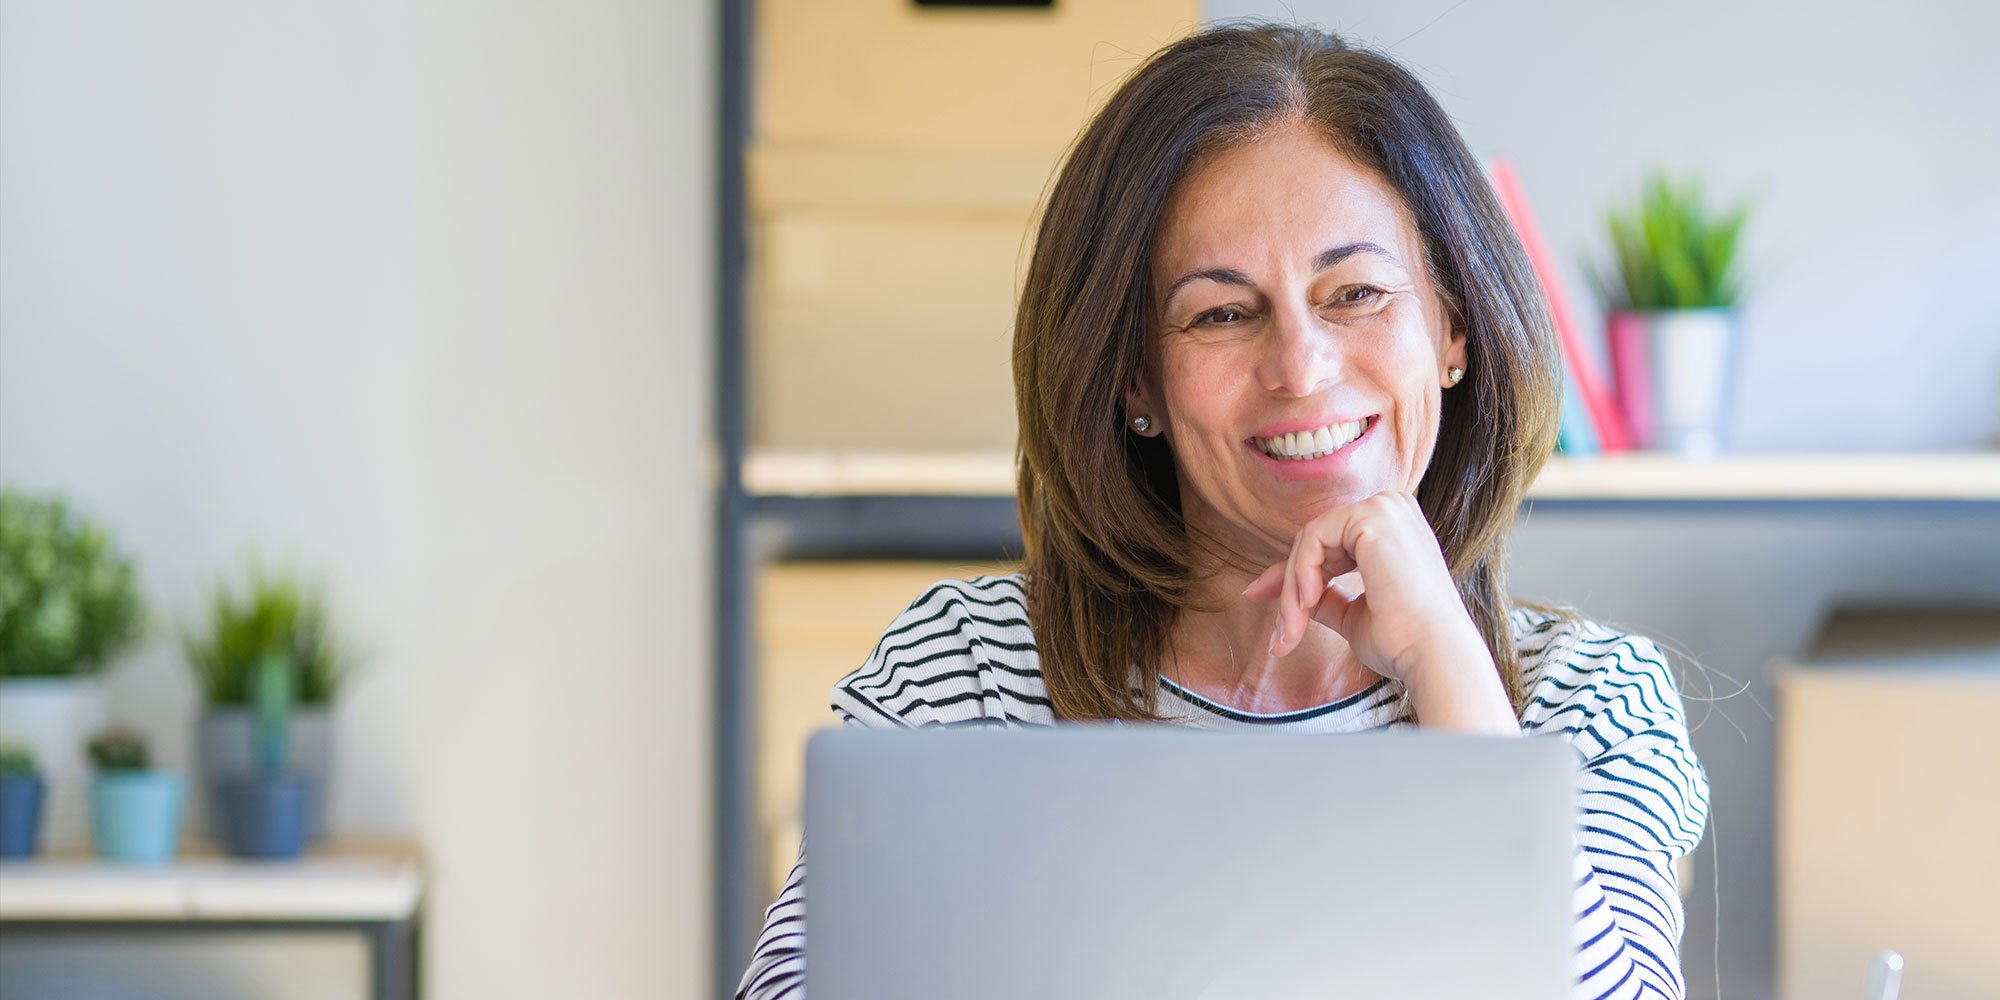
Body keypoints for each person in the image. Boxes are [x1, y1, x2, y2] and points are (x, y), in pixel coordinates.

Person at [738, 22, 1709, 1000]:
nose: (1300, 366)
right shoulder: (968, 673)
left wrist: (1441, 662)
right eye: (1220, 312)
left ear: (1451, 329)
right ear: (1133, 382)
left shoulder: (1586, 701)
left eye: (1356, 292)